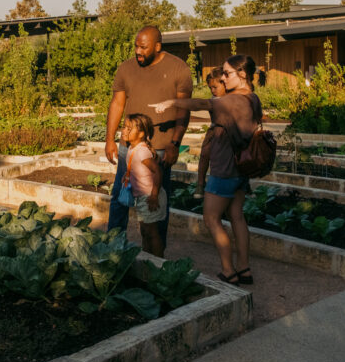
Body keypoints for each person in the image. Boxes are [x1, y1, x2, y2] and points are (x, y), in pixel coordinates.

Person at [151, 54, 263, 286]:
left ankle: (228, 270)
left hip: (224, 169)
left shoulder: (232, 101)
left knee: (211, 218)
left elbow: (203, 104)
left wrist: (171, 102)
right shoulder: (253, 98)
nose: (223, 79)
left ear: (242, 74)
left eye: (227, 74)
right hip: (242, 168)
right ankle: (244, 269)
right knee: (237, 216)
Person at [106, 26, 192, 253]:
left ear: (157, 46)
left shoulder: (178, 68)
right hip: (128, 149)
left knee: (157, 202)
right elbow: (117, 103)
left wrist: (175, 143)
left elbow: (184, 109)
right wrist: (109, 139)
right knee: (119, 198)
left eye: (143, 47)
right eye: (136, 46)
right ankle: (112, 248)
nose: (138, 51)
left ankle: (156, 256)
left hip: (161, 149)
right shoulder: (126, 68)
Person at [120, 113, 167, 256]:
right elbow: (136, 167)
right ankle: (147, 258)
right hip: (142, 197)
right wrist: (127, 175)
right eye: (124, 127)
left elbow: (158, 172)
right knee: (145, 231)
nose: (124, 130)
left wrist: (154, 195)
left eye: (129, 128)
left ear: (141, 134)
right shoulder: (131, 148)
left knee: (151, 232)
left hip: (150, 197)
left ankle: (158, 262)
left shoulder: (142, 151)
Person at [192, 67, 228, 200]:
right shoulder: (214, 99)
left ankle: (244, 183)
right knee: (205, 153)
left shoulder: (233, 98)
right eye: (210, 88)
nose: (212, 90)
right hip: (214, 130)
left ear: (225, 84)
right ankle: (200, 183)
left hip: (229, 132)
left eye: (215, 87)